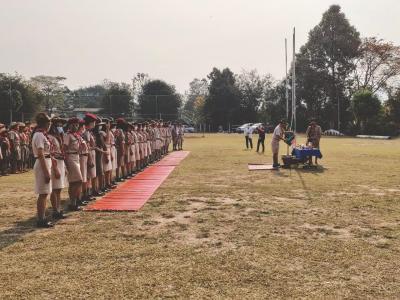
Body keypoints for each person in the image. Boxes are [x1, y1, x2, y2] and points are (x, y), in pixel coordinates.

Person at [31, 112, 53, 227]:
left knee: (45, 193)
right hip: (42, 164)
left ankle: (42, 217)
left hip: (45, 162)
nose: (50, 125)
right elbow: (40, 154)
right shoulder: (39, 135)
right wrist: (46, 172)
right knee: (43, 193)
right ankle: (41, 219)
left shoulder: (42, 134)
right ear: (45, 123)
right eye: (49, 122)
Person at [47, 117, 67, 219]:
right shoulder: (50, 137)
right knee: (54, 188)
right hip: (54, 162)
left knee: (59, 188)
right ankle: (55, 210)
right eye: (58, 125)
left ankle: (58, 208)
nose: (60, 127)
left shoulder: (59, 136)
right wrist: (55, 168)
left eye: (61, 125)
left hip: (61, 161)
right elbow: (51, 153)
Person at [63, 117, 83, 211]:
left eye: (77, 124)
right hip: (70, 157)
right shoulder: (68, 135)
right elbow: (65, 149)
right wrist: (66, 162)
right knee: (79, 180)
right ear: (70, 125)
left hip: (77, 157)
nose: (76, 126)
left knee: (73, 182)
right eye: (74, 125)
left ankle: (73, 203)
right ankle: (73, 201)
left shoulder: (76, 135)